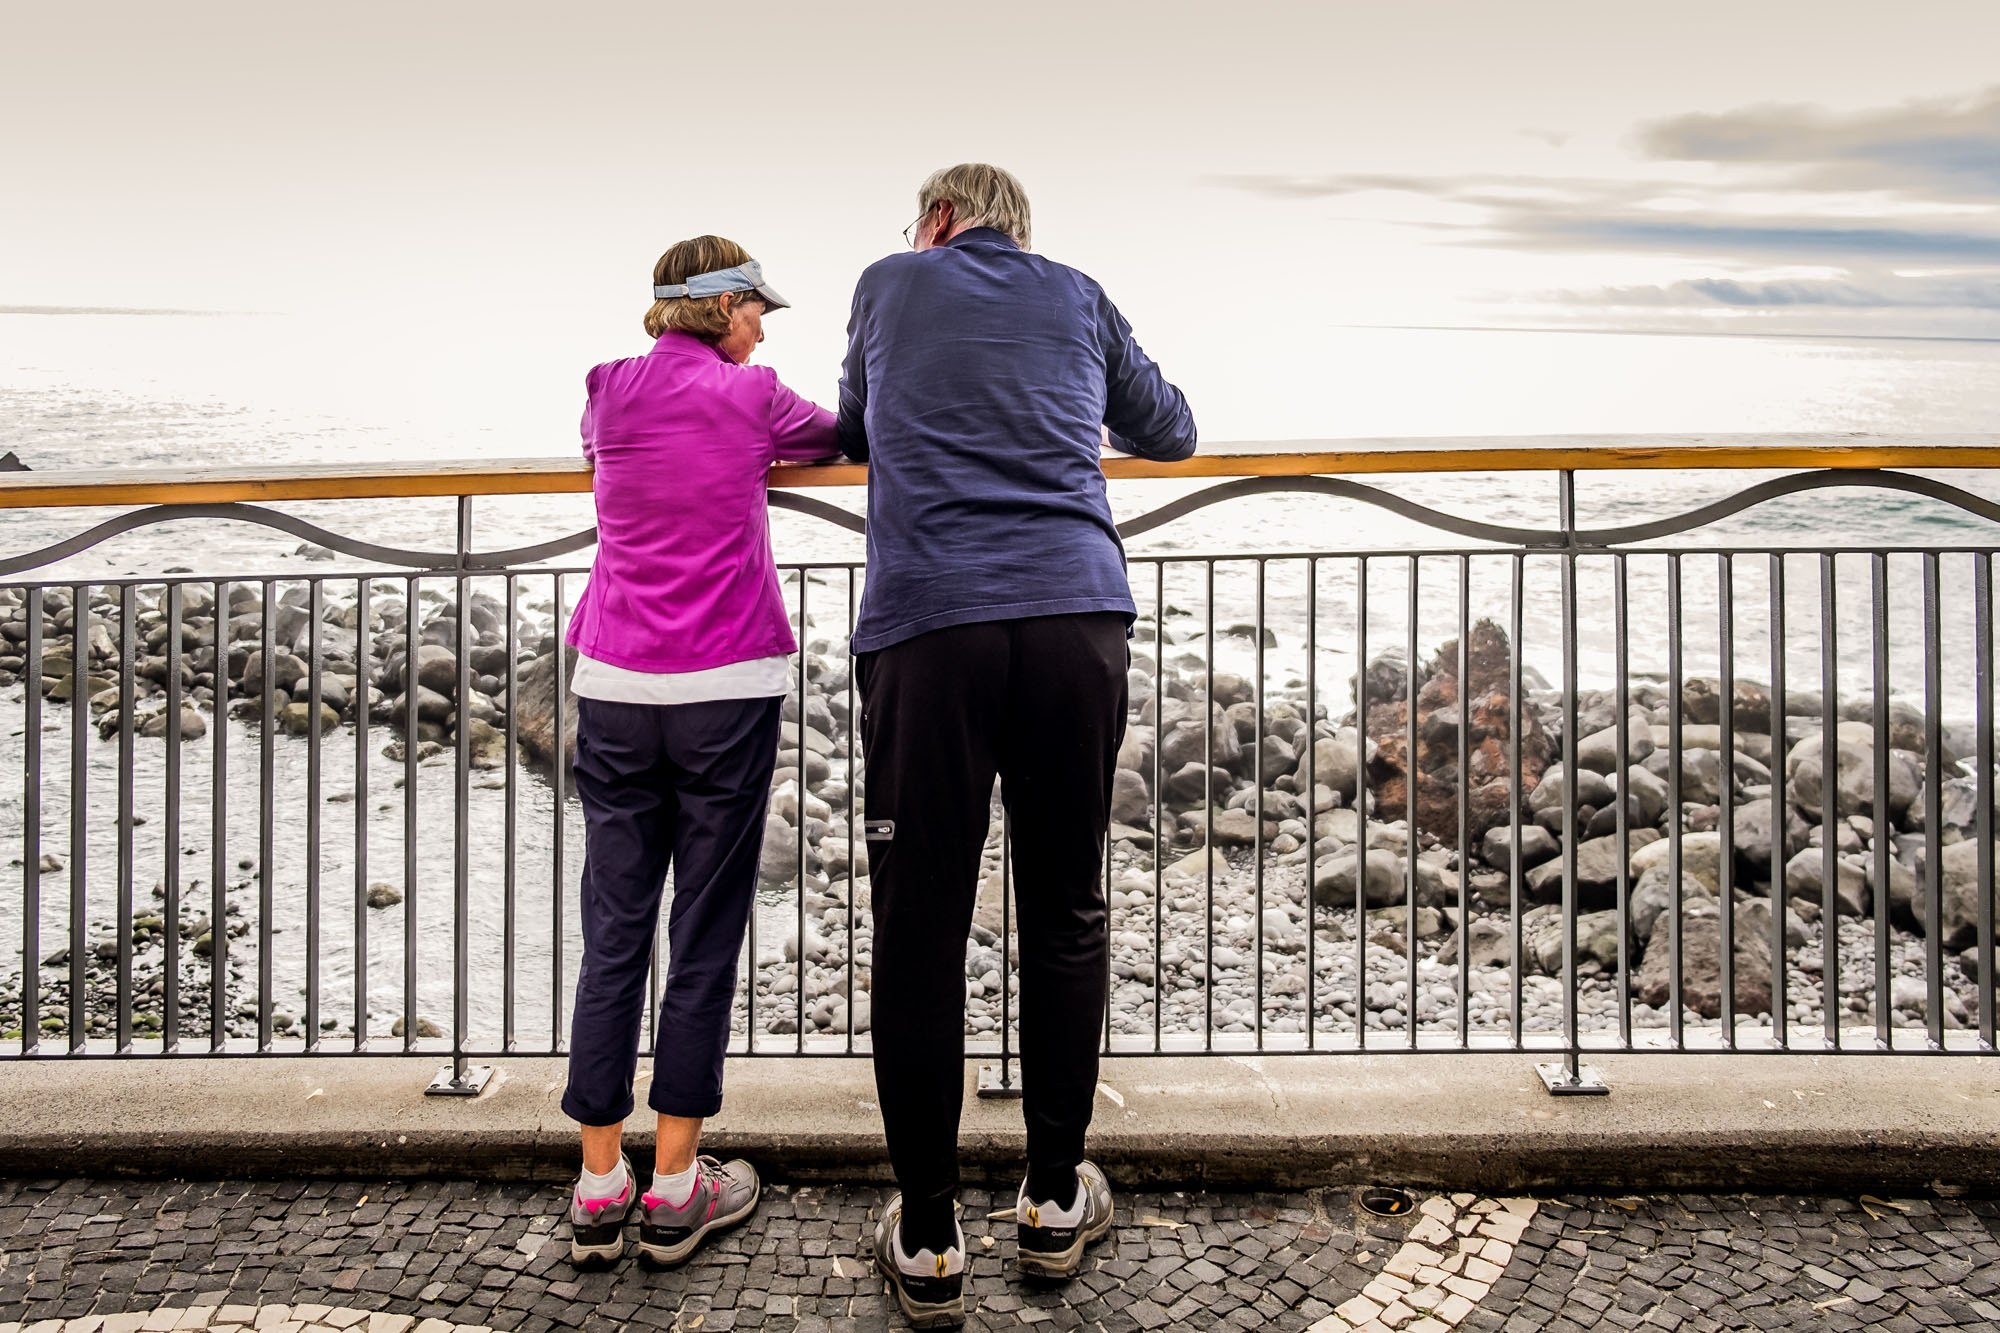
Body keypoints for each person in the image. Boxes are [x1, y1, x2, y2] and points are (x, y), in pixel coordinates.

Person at [839, 164, 1197, 1324]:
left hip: (929, 628)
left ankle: (933, 1232)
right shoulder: (1079, 294)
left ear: (937, 221)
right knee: (1062, 907)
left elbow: (853, 424)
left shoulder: (889, 283)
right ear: (1019, 230)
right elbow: (1174, 432)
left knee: (920, 925)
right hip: (1071, 621)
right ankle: (1049, 1200)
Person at [559, 235, 840, 1267]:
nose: (762, 324)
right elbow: (844, 433)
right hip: (724, 687)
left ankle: (597, 1184)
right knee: (705, 931)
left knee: (615, 926)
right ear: (719, 305)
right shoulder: (754, 396)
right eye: (755, 307)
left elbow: (605, 460)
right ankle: (675, 1183)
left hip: (617, 684)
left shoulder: (606, 388)